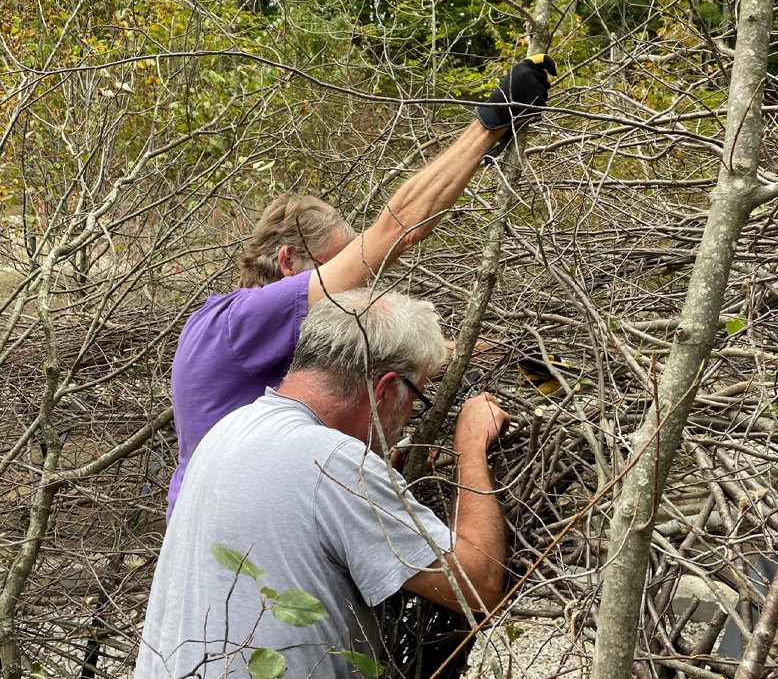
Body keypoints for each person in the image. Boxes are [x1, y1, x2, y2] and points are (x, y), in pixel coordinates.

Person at [167, 54, 555, 517]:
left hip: (242, 518)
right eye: (339, 267)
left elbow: (420, 359)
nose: (354, 287)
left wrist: (519, 357)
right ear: (288, 260)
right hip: (233, 531)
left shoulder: (285, 337)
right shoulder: (245, 319)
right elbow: (397, 231)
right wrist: (490, 124)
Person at [136, 289, 510, 678]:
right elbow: (478, 585)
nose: (412, 412)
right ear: (383, 389)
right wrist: (470, 446)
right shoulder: (335, 464)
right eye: (417, 395)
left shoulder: (231, 428)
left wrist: (383, 471)